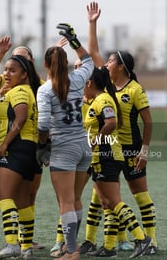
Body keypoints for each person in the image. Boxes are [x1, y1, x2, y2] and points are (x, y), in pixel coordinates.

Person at [80, 1, 157, 256]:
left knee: (140, 196)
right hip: (111, 150)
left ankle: (150, 242)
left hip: (131, 148)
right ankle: (104, 244)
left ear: (121, 65)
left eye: (110, 60)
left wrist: (144, 151)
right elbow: (92, 51)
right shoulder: (109, 87)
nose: (106, 63)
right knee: (103, 199)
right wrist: (92, 23)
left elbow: (148, 122)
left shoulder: (135, 90)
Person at [37, 24, 93, 260]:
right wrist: (73, 40)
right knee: (76, 199)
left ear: (46, 65)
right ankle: (73, 246)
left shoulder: (45, 90)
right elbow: (89, 61)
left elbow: (42, 125)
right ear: (67, 62)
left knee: (66, 202)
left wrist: (42, 147)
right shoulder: (78, 78)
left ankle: (71, 252)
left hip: (63, 149)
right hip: (83, 146)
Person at [82, 66, 152, 258]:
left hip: (107, 157)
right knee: (106, 203)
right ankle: (109, 247)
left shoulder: (103, 99)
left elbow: (111, 122)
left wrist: (96, 141)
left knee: (113, 201)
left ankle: (141, 239)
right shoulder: (98, 99)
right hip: (102, 158)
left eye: (83, 84)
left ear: (89, 83)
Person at [0, 37, 45, 251]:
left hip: (19, 147)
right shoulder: (22, 89)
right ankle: (26, 246)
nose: (6, 74)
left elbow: (20, 119)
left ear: (26, 71)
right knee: (22, 200)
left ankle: (12, 244)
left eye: (12, 69)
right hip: (29, 149)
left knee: (3, 196)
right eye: (6, 69)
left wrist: (5, 144)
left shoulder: (21, 90)